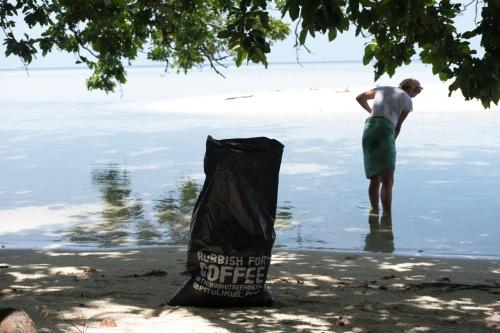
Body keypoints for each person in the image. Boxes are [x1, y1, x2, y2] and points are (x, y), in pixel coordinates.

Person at [356, 78, 422, 217]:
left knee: (375, 177)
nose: (413, 97)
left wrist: (371, 112)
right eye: (415, 93)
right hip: (385, 130)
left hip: (369, 128)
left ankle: (374, 211)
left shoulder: (382, 89)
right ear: (412, 89)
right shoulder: (407, 100)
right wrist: (392, 141)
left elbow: (360, 98)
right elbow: (397, 126)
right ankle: (387, 216)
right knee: (387, 180)